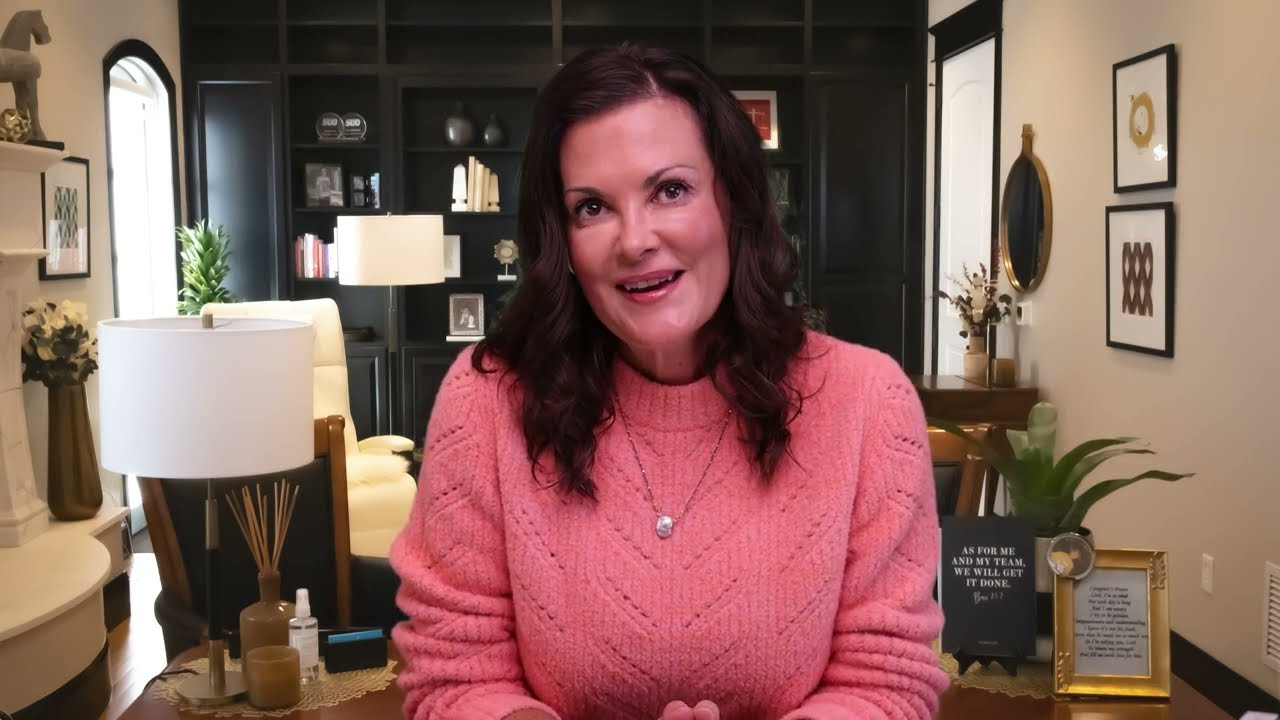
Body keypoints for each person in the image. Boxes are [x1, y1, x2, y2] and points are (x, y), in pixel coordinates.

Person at [391, 45, 948, 720]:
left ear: (733, 203)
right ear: (560, 242)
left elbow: (885, 682)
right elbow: (453, 674)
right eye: (591, 208)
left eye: (671, 190)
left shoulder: (867, 401)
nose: (635, 241)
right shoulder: (486, 401)